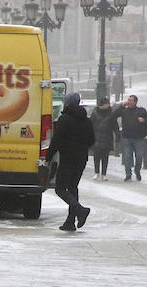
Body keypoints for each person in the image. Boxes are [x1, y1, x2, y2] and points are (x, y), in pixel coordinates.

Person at [47, 91, 95, 231]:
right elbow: (91, 140)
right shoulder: (87, 120)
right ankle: (70, 221)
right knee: (72, 187)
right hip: (81, 159)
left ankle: (80, 210)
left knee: (60, 188)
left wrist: (48, 157)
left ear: (67, 103)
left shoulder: (65, 119)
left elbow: (56, 140)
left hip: (68, 159)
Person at [112, 94, 146, 181]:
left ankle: (137, 170)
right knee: (127, 156)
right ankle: (128, 174)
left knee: (139, 156)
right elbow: (113, 115)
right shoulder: (124, 110)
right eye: (128, 100)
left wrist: (144, 120)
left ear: (135, 102)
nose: (129, 102)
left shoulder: (141, 111)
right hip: (126, 138)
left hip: (139, 138)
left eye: (131, 100)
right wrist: (121, 106)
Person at [89, 95, 118, 180]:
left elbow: (115, 125)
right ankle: (96, 172)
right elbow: (90, 124)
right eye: (106, 104)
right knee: (96, 156)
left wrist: (117, 134)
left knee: (105, 157)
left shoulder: (111, 114)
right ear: (102, 104)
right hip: (96, 137)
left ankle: (104, 174)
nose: (108, 105)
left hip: (107, 137)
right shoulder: (95, 113)